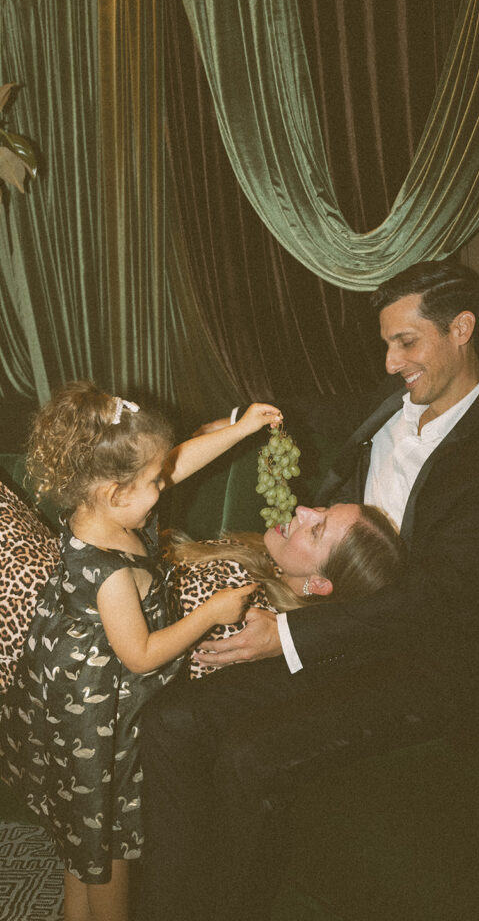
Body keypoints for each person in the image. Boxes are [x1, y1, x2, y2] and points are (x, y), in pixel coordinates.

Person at [139, 260, 479, 921]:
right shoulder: (391, 405)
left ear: (462, 329)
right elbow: (300, 415)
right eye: (387, 344)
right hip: (337, 635)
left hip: (427, 662)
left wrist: (285, 635)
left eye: (405, 342)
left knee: (251, 754)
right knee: (169, 720)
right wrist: (244, 419)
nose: (390, 363)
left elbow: (442, 596)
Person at [0, 381, 283, 921]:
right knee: (107, 853)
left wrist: (242, 428)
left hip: (74, 681)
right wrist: (209, 615)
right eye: (154, 481)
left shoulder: (107, 508)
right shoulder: (109, 568)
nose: (166, 483)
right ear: (116, 492)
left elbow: (176, 463)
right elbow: (141, 654)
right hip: (95, 708)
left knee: (84, 839)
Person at [167, 503, 403, 678]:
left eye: (315, 530)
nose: (302, 510)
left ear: (319, 583)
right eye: (323, 509)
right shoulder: (269, 561)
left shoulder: (246, 619)